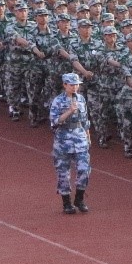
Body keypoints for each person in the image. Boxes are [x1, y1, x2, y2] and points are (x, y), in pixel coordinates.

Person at [50, 72, 91, 214]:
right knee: (63, 172)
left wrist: (88, 136)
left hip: (80, 138)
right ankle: (66, 202)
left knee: (84, 169)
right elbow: (54, 121)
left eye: (77, 85)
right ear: (65, 85)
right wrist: (69, 111)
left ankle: (79, 199)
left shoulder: (81, 99)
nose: (75, 87)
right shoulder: (58, 101)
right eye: (72, 85)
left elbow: (85, 120)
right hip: (64, 140)